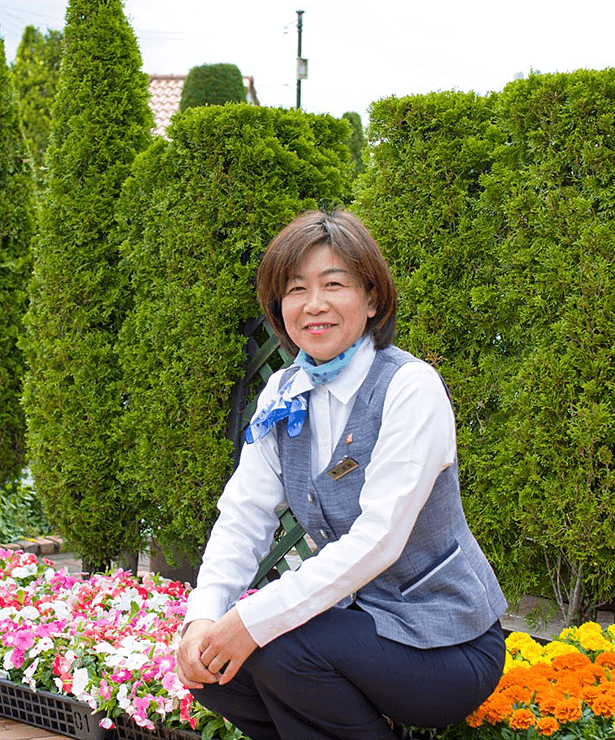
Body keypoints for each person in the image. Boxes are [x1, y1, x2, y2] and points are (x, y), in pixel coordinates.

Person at [175, 210, 507, 740]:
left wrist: (251, 621)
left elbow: (380, 540)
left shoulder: (409, 387)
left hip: (447, 641)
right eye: (295, 289)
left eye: (335, 285)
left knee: (279, 646)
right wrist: (203, 617)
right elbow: (243, 515)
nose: (314, 305)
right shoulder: (282, 393)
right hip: (356, 628)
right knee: (213, 669)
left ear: (372, 299)